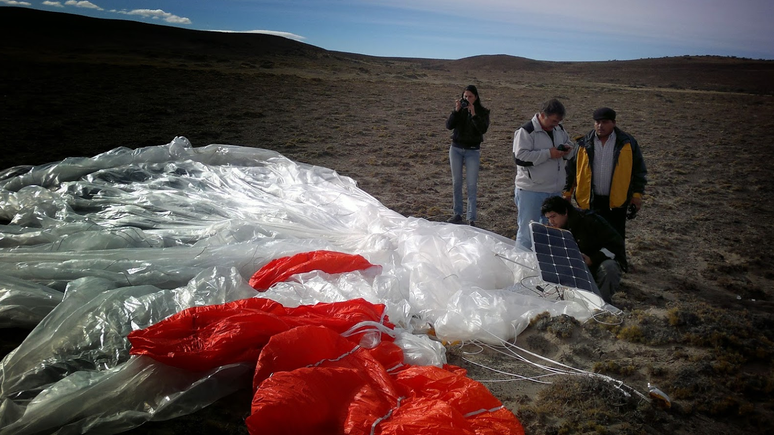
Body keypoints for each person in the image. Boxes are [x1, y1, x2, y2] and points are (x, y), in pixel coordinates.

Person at [564, 107, 647, 240]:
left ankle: (616, 262)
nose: (600, 126)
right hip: (589, 202)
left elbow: (639, 171)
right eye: (597, 122)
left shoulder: (628, 143)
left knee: (615, 240)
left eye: (604, 122)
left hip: (616, 203)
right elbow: (570, 171)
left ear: (613, 123)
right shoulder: (583, 143)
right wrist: (567, 194)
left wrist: (637, 196)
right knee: (589, 240)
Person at [512, 98, 574, 249]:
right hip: (531, 191)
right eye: (553, 121)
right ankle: (522, 268)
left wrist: (567, 150)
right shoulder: (526, 131)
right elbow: (520, 157)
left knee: (550, 233)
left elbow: (570, 145)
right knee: (527, 233)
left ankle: (544, 267)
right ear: (542, 115)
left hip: (554, 191)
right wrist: (548, 153)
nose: (555, 124)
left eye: (558, 121)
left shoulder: (559, 129)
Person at [541, 195, 626, 303]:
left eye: (553, 216)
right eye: (548, 218)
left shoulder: (590, 221)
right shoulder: (553, 230)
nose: (551, 221)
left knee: (609, 268)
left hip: (597, 264)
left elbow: (616, 244)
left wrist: (593, 259)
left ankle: (601, 304)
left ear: (565, 212)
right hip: (572, 269)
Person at [445, 84, 490, 226]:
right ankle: (457, 214)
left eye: (470, 96)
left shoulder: (483, 112)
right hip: (456, 149)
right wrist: (456, 111)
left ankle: (471, 218)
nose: (467, 99)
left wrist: (474, 114)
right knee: (456, 182)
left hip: (472, 151)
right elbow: (449, 126)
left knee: (471, 184)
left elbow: (482, 129)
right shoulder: (459, 111)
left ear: (476, 97)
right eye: (465, 96)